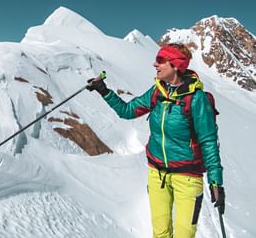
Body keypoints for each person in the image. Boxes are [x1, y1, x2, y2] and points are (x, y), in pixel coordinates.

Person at [87, 43, 225, 238]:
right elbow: (127, 111)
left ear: (176, 65)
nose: (155, 64)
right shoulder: (157, 92)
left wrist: (216, 182)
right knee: (160, 234)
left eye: (161, 60)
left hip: (187, 177)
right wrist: (104, 91)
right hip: (157, 174)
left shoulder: (196, 99)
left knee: (184, 235)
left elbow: (209, 141)